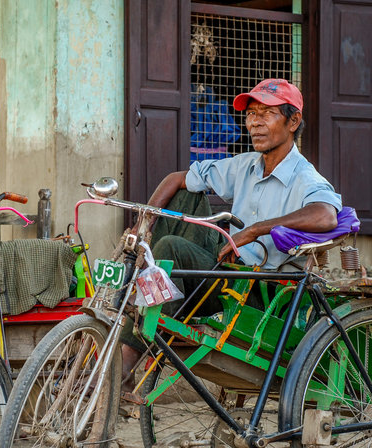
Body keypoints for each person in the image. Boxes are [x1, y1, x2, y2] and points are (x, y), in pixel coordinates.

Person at [120, 78, 342, 393]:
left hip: (260, 288)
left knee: (170, 250)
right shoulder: (246, 166)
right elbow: (176, 179)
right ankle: (149, 305)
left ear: (293, 122)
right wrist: (144, 223)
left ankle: (128, 363)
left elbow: (326, 215)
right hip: (229, 269)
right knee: (179, 205)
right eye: (251, 114)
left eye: (267, 113)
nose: (254, 122)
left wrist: (254, 230)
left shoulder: (304, 177)